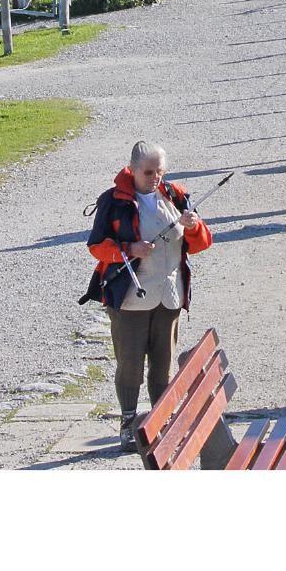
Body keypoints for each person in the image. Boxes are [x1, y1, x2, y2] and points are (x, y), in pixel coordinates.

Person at [83, 138, 211, 449]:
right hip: (129, 298)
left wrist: (193, 226)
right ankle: (128, 422)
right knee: (130, 363)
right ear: (133, 170)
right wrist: (129, 249)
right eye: (149, 173)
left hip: (169, 296)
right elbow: (96, 247)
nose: (156, 178)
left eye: (160, 172)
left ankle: (161, 420)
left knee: (163, 363)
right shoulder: (113, 201)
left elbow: (202, 243)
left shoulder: (177, 196)